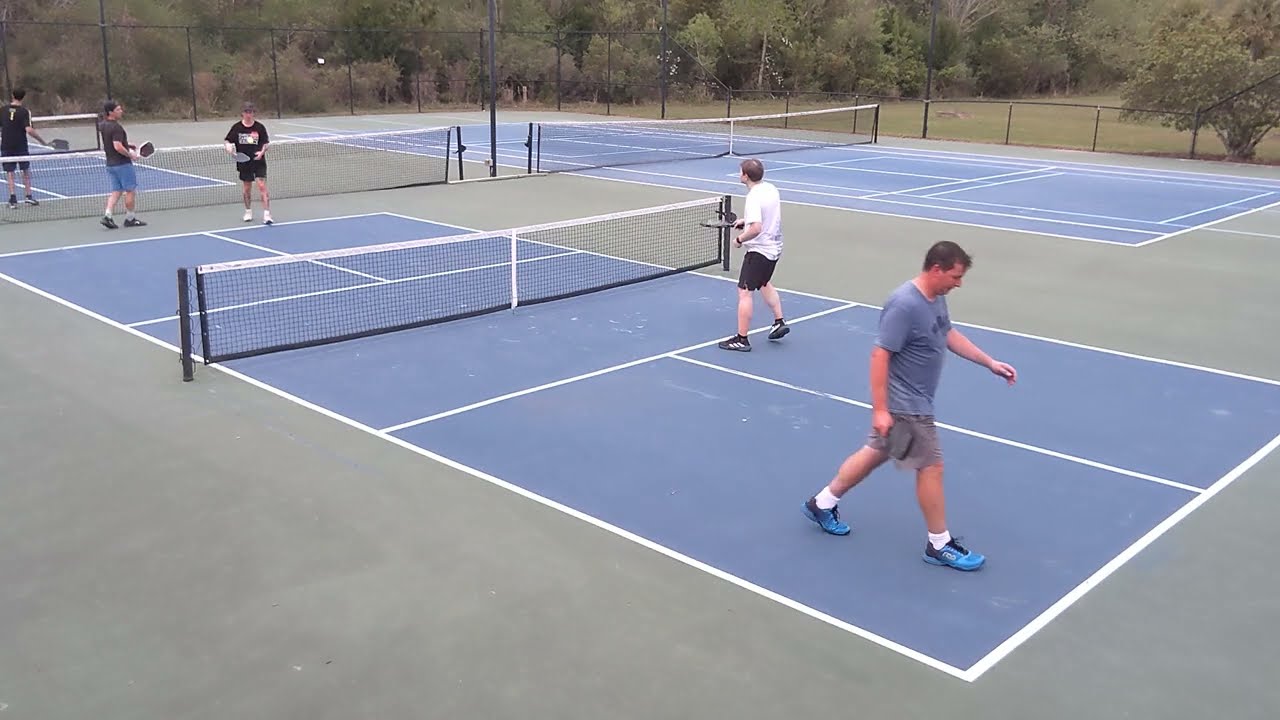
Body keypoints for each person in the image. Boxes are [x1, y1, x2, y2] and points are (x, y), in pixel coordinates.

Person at [801, 241, 1017, 571]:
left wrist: (989, 362)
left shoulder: (936, 298)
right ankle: (939, 544)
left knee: (876, 452)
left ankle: (822, 503)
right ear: (936, 269)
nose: (958, 284)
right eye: (955, 277)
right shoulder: (904, 304)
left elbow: (946, 333)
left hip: (915, 399)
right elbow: (879, 355)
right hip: (908, 404)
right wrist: (880, 409)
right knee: (931, 467)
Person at [717, 158, 788, 352]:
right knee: (764, 283)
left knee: (745, 292)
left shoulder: (753, 197)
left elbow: (757, 228)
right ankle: (779, 321)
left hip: (759, 251)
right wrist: (745, 221)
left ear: (745, 176)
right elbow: (764, 217)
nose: (739, 174)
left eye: (740, 172)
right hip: (774, 248)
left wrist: (739, 239)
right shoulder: (771, 189)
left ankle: (742, 339)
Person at [98, 100, 146, 229]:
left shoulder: (103, 125)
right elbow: (117, 146)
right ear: (111, 112)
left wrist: (127, 144)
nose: (121, 111)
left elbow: (112, 141)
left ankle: (107, 216)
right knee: (130, 191)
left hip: (110, 164)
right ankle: (130, 218)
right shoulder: (116, 127)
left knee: (116, 191)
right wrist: (131, 155)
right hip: (122, 164)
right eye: (118, 110)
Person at [224, 101, 272, 225]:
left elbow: (266, 143)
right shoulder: (237, 128)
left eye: (250, 112)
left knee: (261, 185)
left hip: (258, 161)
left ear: (253, 113)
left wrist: (261, 153)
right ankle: (248, 211)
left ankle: (267, 215)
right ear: (242, 113)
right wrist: (228, 146)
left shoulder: (259, 127)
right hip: (244, 162)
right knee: (247, 188)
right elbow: (227, 140)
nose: (248, 114)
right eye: (246, 112)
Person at [0, 89, 48, 209]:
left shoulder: (3, 110)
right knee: (25, 171)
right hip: (20, 145)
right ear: (23, 97)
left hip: (6, 145)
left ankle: (13, 199)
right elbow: (29, 129)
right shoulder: (25, 112)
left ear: (12, 96)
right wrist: (42, 141)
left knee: (10, 173)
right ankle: (28, 196)